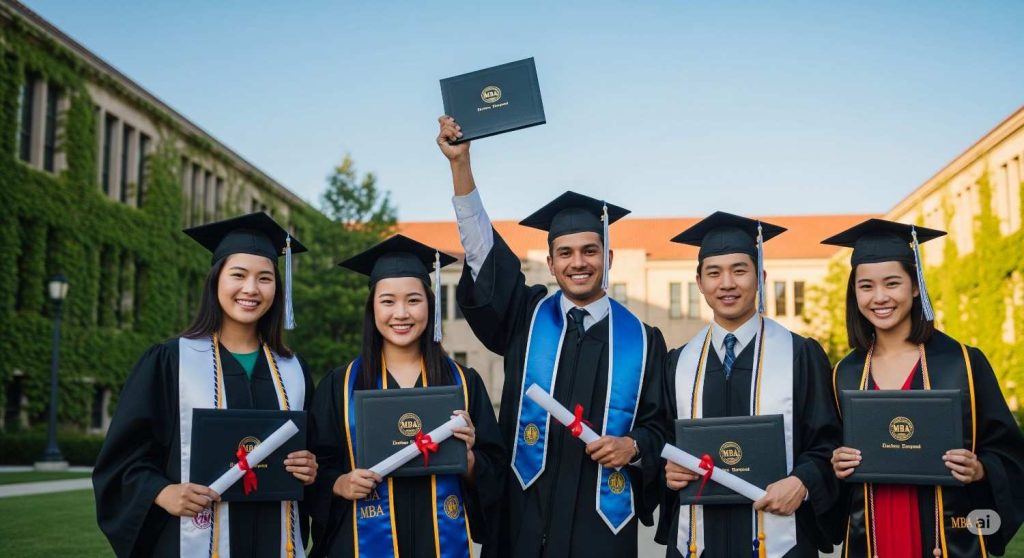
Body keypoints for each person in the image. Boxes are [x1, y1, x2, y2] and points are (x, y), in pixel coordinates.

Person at [436, 116, 668, 558]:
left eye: (589, 251)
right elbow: (485, 254)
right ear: (551, 260)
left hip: (601, 524)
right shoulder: (528, 316)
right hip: (522, 514)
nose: (577, 262)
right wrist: (461, 166)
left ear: (609, 257)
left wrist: (634, 445)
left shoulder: (643, 340)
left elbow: (661, 425)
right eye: (566, 253)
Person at [93, 212, 319, 558]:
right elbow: (122, 460)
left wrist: (310, 467)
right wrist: (162, 492)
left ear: (278, 287)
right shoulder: (171, 361)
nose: (251, 289)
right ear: (215, 281)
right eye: (238, 275)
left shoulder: (293, 369)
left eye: (265, 278)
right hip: (189, 539)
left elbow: (314, 456)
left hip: (275, 540)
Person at [823, 218, 1024, 557]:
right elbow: (828, 460)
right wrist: (836, 465)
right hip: (872, 533)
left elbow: (1009, 453)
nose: (880, 297)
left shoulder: (963, 363)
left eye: (892, 283)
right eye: (866, 286)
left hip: (945, 536)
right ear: (854, 292)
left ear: (916, 287)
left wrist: (980, 469)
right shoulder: (845, 373)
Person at [307, 234, 504, 558]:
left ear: (431, 304)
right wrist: (339, 484)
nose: (401, 313)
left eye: (413, 300)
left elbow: (495, 472)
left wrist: (468, 460)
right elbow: (316, 467)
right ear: (372, 308)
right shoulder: (340, 386)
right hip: (360, 544)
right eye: (388, 301)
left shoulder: (464, 383)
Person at [657, 212, 841, 558]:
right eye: (714, 273)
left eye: (739, 270)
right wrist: (666, 470)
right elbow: (661, 440)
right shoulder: (678, 362)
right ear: (699, 282)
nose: (726, 284)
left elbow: (828, 442)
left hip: (781, 541)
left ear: (761, 277)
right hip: (697, 542)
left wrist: (802, 482)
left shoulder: (799, 355)